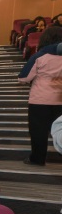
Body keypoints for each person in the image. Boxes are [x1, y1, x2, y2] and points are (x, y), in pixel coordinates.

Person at [17, 26, 62, 166]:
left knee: (38, 131)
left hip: (40, 100)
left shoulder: (40, 55)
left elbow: (23, 77)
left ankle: (38, 159)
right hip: (60, 99)